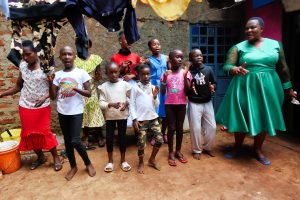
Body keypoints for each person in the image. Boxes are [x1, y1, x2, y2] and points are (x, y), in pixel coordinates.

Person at [215, 17, 297, 165]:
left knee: (264, 115)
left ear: (261, 29)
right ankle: (237, 146)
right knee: (241, 115)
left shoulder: (275, 45)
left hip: (269, 87)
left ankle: (258, 150)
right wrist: (234, 68)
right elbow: (226, 66)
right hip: (244, 86)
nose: (249, 30)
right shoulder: (238, 47)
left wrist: (288, 88)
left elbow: (283, 67)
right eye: (246, 28)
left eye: (252, 28)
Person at [0, 40, 63, 171]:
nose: (25, 57)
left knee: (45, 132)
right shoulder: (23, 65)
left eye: (28, 54)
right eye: (23, 54)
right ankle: (40, 157)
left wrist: (48, 87)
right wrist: (3, 93)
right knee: (29, 134)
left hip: (42, 107)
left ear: (36, 53)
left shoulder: (46, 68)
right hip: (25, 105)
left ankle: (56, 157)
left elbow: (52, 95)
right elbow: (18, 85)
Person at [48, 46, 96, 180]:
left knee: (75, 140)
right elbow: (53, 96)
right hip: (62, 111)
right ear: (60, 58)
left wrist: (74, 88)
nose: (67, 57)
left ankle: (88, 163)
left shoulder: (81, 73)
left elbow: (89, 93)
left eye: (69, 54)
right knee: (68, 141)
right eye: (64, 54)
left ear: (74, 56)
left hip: (76, 111)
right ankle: (73, 166)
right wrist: (50, 82)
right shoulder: (58, 75)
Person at [130, 64, 163, 174]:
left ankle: (152, 159)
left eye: (148, 74)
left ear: (150, 75)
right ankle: (141, 162)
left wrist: (154, 96)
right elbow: (132, 105)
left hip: (153, 119)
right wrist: (134, 119)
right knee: (141, 143)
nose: (146, 76)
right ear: (138, 75)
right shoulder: (135, 88)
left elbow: (157, 104)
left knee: (159, 139)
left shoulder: (153, 87)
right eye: (143, 74)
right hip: (141, 121)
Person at [98, 62, 132, 173]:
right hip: (110, 117)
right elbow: (101, 103)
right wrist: (110, 104)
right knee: (109, 138)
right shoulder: (104, 87)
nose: (113, 74)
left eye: (116, 72)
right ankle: (110, 161)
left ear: (119, 72)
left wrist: (126, 104)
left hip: (122, 116)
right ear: (106, 73)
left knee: (122, 138)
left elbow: (131, 98)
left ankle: (123, 160)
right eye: (111, 72)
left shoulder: (125, 84)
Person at [161, 49, 190, 167]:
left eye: (181, 57)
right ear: (171, 59)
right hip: (169, 105)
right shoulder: (166, 74)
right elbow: (162, 92)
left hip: (182, 104)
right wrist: (163, 79)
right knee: (171, 128)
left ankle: (178, 151)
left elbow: (187, 91)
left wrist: (184, 77)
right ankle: (170, 153)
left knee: (179, 128)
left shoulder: (185, 72)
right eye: (177, 57)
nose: (179, 59)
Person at [186, 49, 216, 160]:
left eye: (200, 55)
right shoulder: (188, 71)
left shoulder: (208, 69)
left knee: (212, 127)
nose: (199, 57)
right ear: (190, 59)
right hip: (194, 103)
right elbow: (186, 88)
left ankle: (208, 148)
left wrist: (213, 87)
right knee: (195, 128)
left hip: (207, 102)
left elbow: (214, 83)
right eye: (196, 56)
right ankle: (196, 150)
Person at [74, 42, 106, 148]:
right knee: (83, 113)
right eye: (79, 44)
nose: (82, 46)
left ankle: (100, 135)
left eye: (85, 44)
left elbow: (98, 76)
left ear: (89, 46)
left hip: (91, 90)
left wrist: (97, 75)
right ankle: (85, 137)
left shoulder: (95, 59)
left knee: (95, 111)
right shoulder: (75, 60)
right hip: (80, 91)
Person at [145, 38, 168, 144]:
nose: (157, 46)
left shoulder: (166, 58)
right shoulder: (148, 60)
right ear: (150, 48)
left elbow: (171, 71)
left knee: (166, 111)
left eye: (158, 44)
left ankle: (164, 133)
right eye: (154, 45)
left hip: (165, 85)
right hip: (154, 87)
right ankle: (156, 134)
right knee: (156, 111)